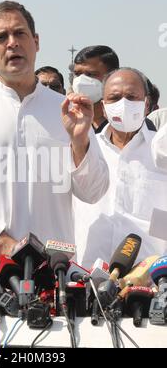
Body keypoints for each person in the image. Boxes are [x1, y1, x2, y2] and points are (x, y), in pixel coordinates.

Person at [0, 1, 109, 273]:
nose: (12, 43)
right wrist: (2, 243)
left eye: (20, 34)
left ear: (36, 42)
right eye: (1, 38)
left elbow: (93, 191)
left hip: (55, 272)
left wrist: (79, 143)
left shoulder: (67, 110)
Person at [73, 67, 167, 268]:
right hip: (87, 273)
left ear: (146, 104)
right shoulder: (86, 148)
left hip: (147, 280)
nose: (123, 104)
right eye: (114, 98)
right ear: (104, 107)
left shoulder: (161, 151)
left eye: (132, 97)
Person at [72, 45, 119, 133]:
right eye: (77, 74)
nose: (81, 81)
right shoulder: (69, 119)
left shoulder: (125, 124)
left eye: (90, 74)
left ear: (112, 77)